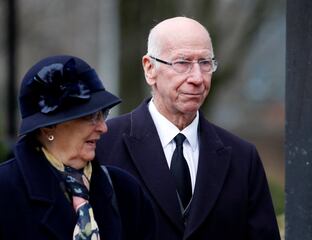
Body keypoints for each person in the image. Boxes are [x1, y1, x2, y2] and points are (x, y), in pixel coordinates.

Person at [96, 17, 281, 239]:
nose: (197, 78)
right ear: (149, 68)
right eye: (182, 63)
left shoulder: (243, 158)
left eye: (205, 63)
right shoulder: (102, 144)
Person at [0, 55, 156, 240]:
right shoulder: (6, 191)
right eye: (90, 117)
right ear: (49, 126)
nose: (103, 127)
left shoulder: (126, 191)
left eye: (103, 114)